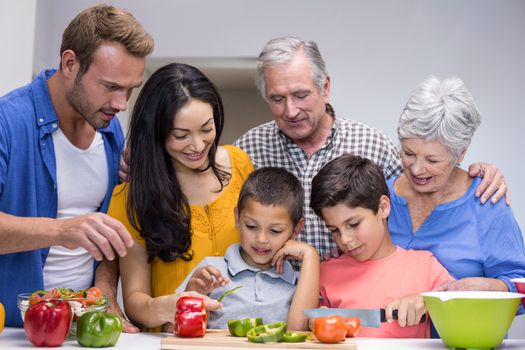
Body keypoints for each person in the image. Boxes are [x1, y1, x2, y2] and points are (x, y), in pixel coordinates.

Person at [234, 36, 509, 265]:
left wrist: (478, 175)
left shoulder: (373, 145)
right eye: (277, 99)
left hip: (354, 304)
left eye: (301, 95)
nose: (290, 110)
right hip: (272, 307)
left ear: (325, 87)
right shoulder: (246, 151)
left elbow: (422, 191)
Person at [0, 4, 154, 328]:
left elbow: (106, 237)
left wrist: (107, 290)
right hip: (13, 332)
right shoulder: (8, 122)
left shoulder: (110, 130)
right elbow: (76, 231)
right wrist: (61, 231)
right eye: (111, 86)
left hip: (84, 331)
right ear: (70, 63)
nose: (121, 103)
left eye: (130, 89)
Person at [107, 63, 254, 332]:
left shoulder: (241, 164)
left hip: (239, 339)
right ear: (157, 135)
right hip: (175, 339)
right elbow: (135, 301)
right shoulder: (131, 197)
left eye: (206, 129)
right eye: (181, 135)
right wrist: (169, 306)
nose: (197, 146)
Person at [387, 76, 525, 294]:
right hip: (392, 329)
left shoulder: (486, 201)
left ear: (461, 153)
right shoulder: (380, 196)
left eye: (432, 160)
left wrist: (492, 287)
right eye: (409, 153)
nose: (416, 169)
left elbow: (520, 283)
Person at [310, 154, 453, 338]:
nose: (344, 239)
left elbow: (467, 311)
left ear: (384, 207)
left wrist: (428, 301)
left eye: (353, 224)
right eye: (334, 230)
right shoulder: (324, 273)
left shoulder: (425, 267)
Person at [177, 167, 319, 331]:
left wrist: (310, 255)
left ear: (296, 229)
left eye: (275, 231)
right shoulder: (211, 270)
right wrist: (193, 294)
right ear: (237, 218)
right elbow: (169, 330)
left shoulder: (301, 281)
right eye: (251, 226)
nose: (261, 239)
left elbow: (297, 332)